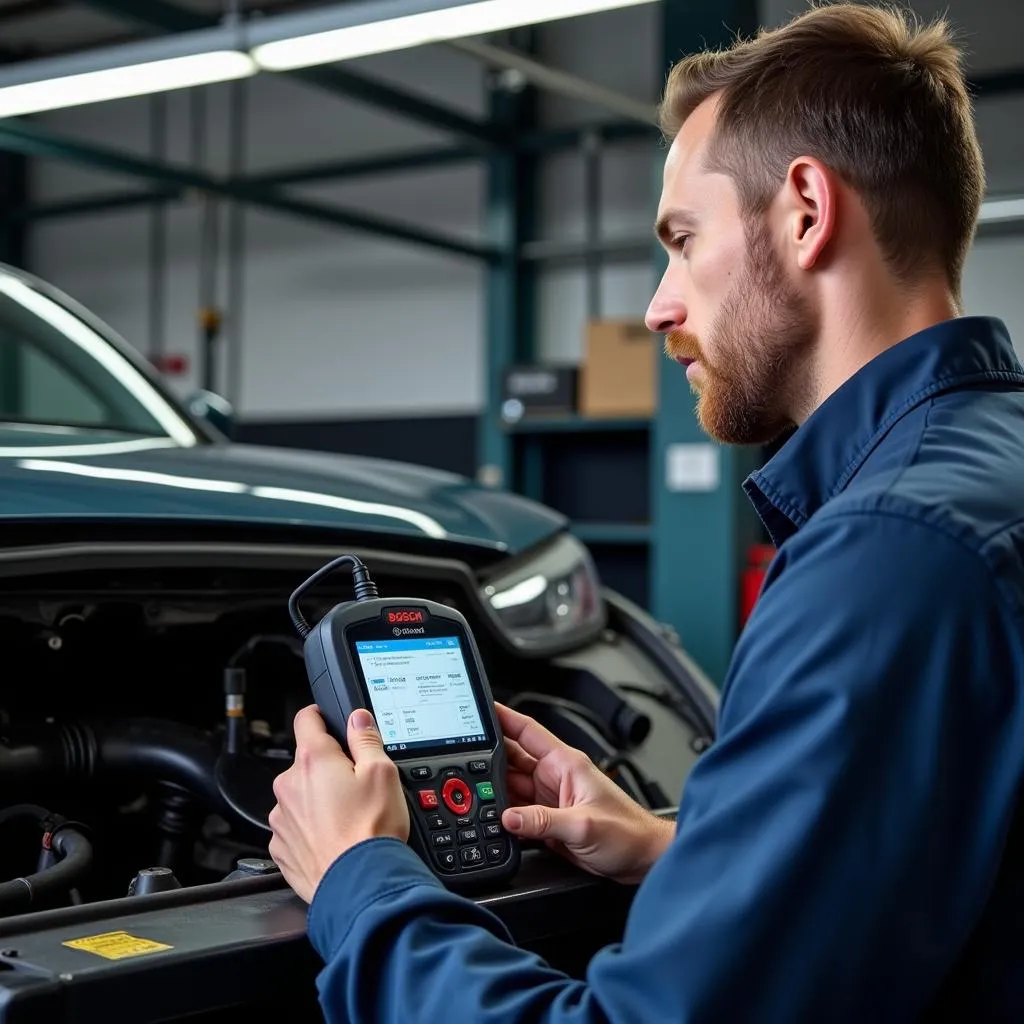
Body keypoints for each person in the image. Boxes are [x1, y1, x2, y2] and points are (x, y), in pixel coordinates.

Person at [267, 2, 1024, 1020]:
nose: (659, 305)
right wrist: (688, 852)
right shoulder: (984, 472)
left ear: (805, 208)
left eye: (682, 238)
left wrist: (360, 877)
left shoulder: (884, 557)